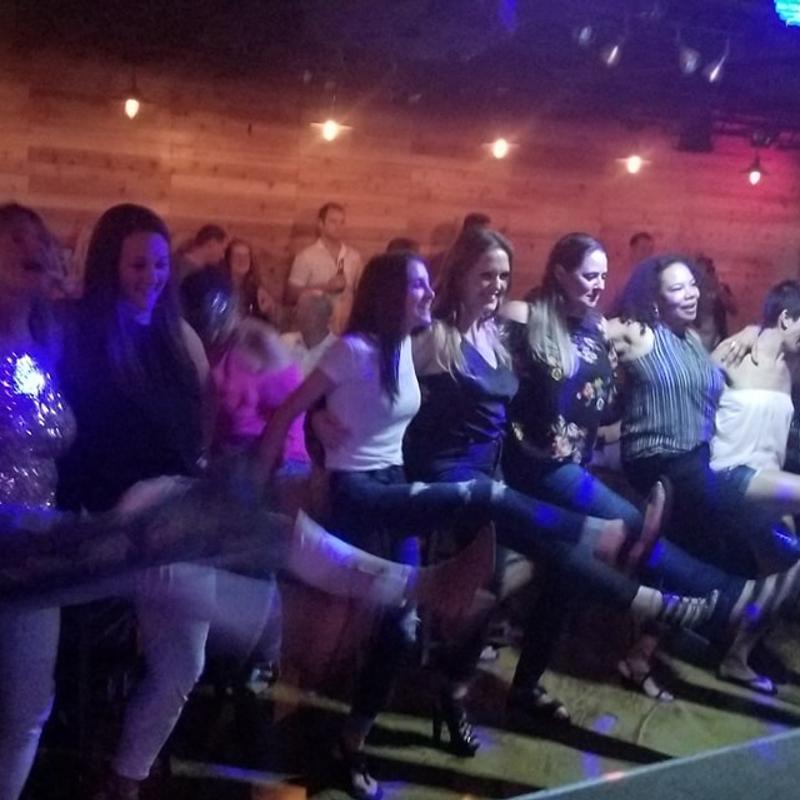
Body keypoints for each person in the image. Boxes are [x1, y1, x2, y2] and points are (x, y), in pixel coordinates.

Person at [0, 203, 489, 800]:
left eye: (159, 264)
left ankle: (123, 782)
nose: (151, 276)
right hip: (101, 520)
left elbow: (203, 422)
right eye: (136, 264)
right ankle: (350, 609)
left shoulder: (169, 336)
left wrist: (267, 444)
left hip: (146, 513)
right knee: (210, 551)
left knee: (183, 660)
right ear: (108, 265)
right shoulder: (74, 330)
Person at [259, 250, 717, 800]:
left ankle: (384, 725)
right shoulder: (399, 343)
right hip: (402, 489)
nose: (497, 285)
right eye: (485, 275)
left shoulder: (449, 340)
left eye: (504, 275)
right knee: (495, 534)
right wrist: (303, 441)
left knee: (434, 616)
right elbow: (297, 407)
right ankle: (622, 560)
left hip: (430, 483)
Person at [286, 203, 362, 334]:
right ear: (321, 224)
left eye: (342, 222)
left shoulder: (354, 257)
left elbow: (361, 292)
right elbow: (291, 295)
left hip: (346, 330)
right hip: (316, 331)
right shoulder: (306, 257)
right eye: (333, 222)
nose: (339, 226)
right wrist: (326, 287)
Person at [280, 289, 337, 376]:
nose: (294, 312)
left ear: (319, 317)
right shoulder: (284, 342)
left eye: (301, 308)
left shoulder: (337, 350)